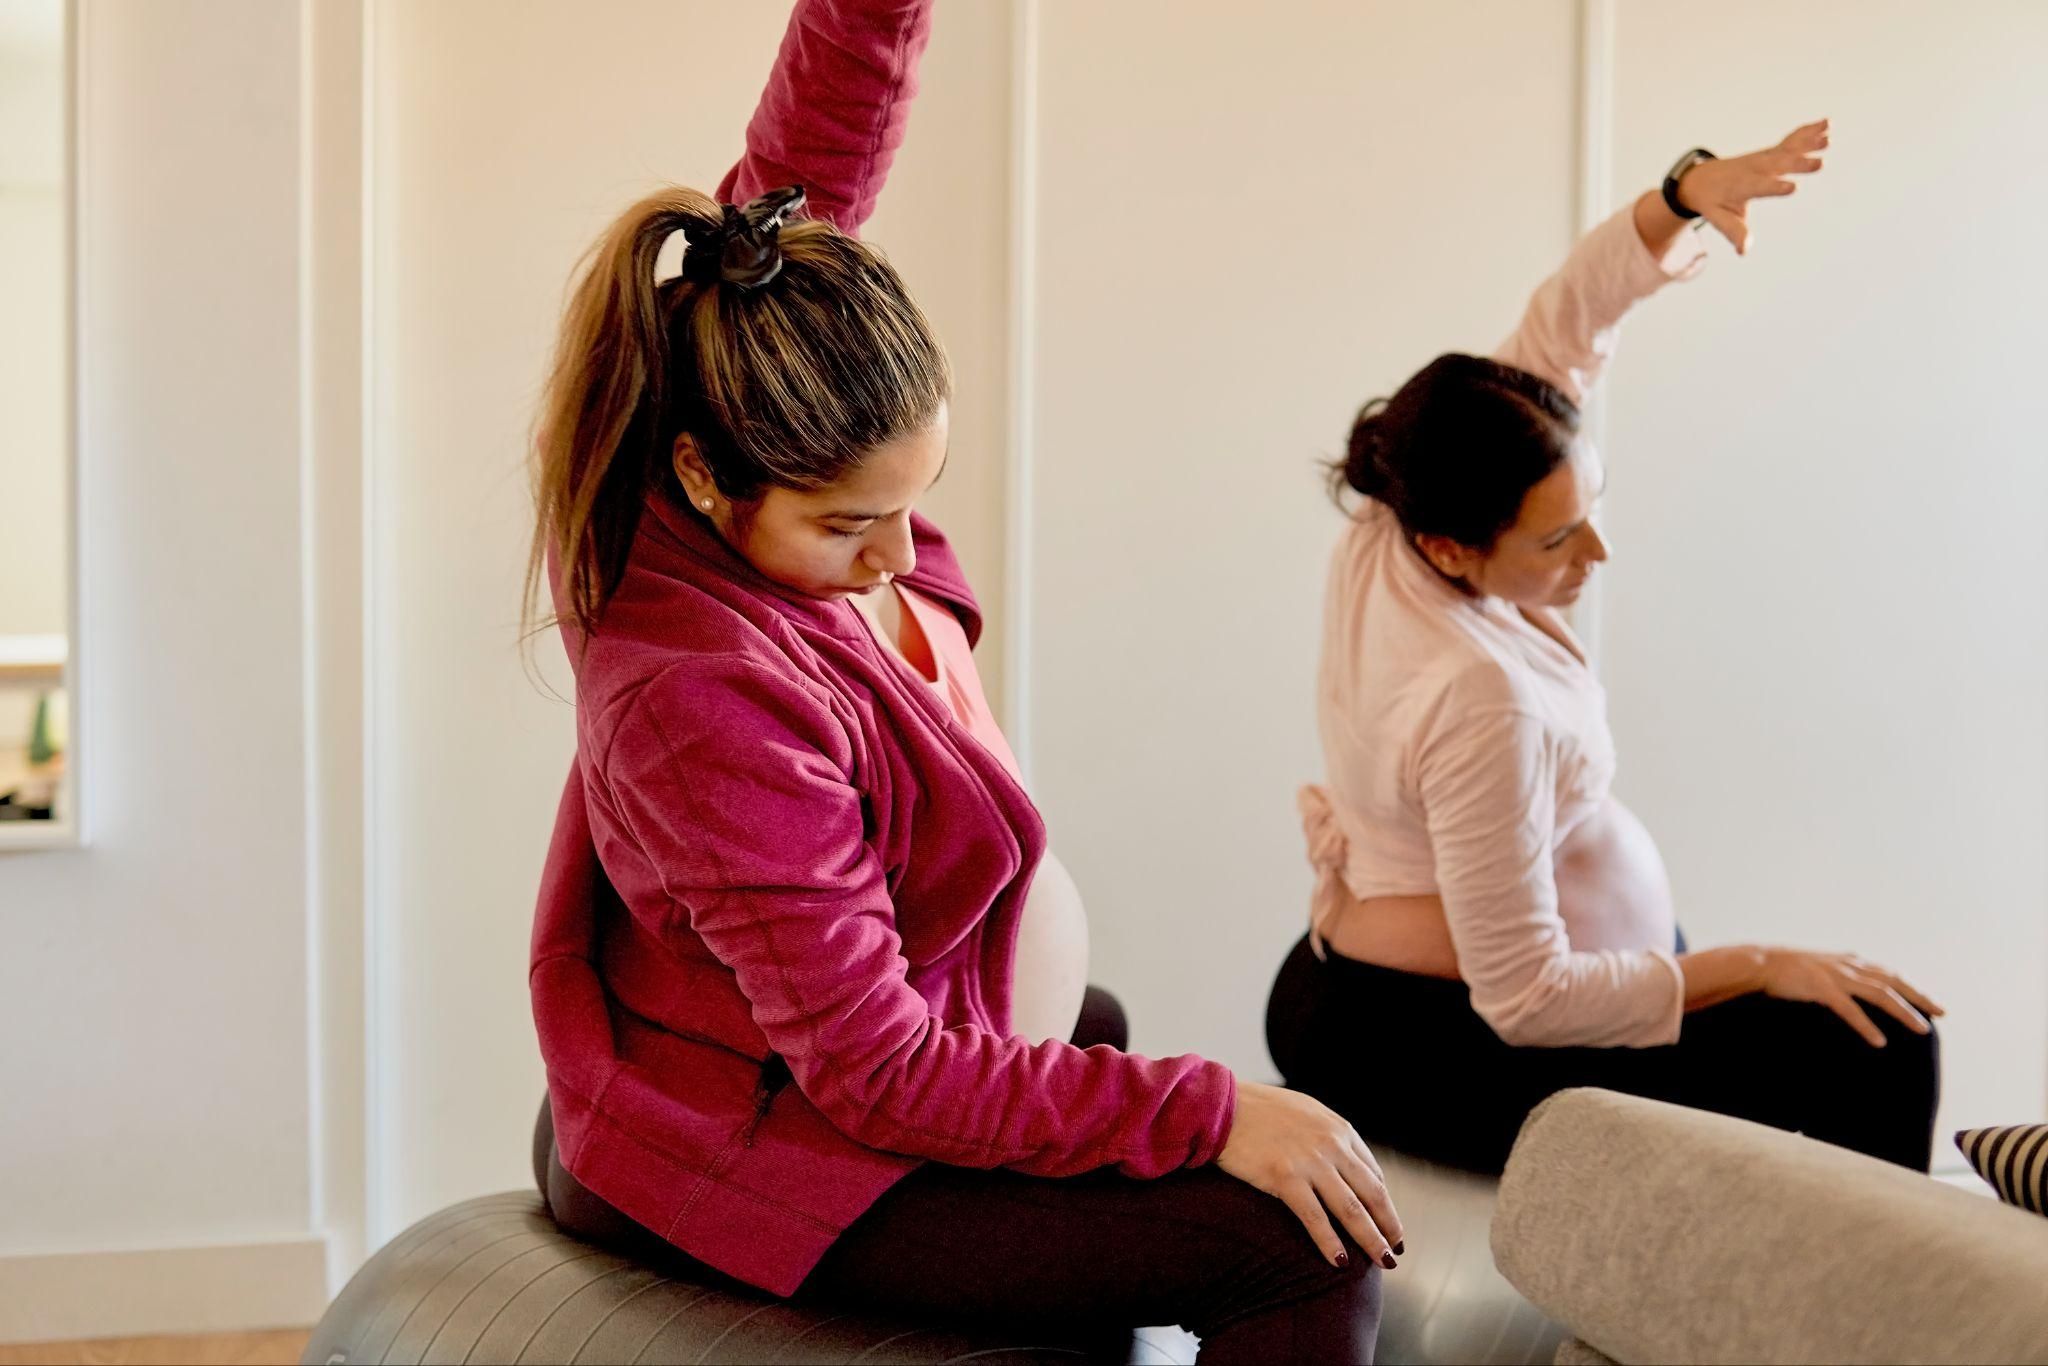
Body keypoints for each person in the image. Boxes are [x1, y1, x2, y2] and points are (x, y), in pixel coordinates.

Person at [525, 2, 1394, 1358]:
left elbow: (826, 130)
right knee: (1294, 1247)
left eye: (914, 503)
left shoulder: (756, 347)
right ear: (703, 476)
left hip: (849, 1046)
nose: (889, 559)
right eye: (844, 526)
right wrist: (1215, 1107)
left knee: (1100, 1041)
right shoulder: (696, 694)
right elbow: (874, 1069)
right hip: (760, 1130)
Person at [1267, 120, 1944, 1175]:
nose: (1597, 550)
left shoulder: (1393, 511)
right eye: (1555, 537)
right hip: (1445, 1043)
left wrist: (1675, 200)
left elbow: (1563, 325)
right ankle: (1888, 1319)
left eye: (1589, 508)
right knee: (1880, 1040)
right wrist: (1760, 963)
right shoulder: (1478, 694)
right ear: (1452, 546)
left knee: (1830, 1021)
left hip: (1390, 992)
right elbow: (1527, 996)